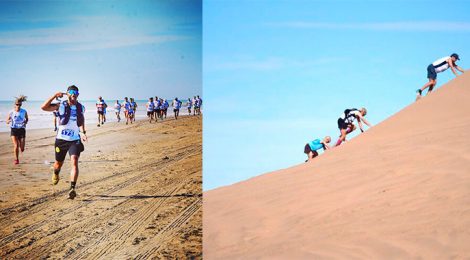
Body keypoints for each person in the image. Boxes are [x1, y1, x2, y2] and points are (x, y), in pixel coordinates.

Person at [41, 85, 87, 199]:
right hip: (61, 140)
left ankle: (72, 188)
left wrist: (83, 132)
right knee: (58, 164)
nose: (73, 94)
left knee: (74, 161)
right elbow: (44, 107)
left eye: (75, 92)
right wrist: (54, 96)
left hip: (74, 140)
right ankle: (56, 173)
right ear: (67, 93)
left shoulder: (81, 107)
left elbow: (82, 120)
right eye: (71, 92)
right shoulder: (61, 105)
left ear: (78, 94)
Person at [6, 95, 28, 165]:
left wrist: (25, 122)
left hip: (21, 129)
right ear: (14, 105)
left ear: (21, 105)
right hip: (14, 129)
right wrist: (8, 121)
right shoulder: (11, 112)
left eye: (19, 104)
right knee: (16, 145)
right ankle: (16, 159)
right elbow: (7, 120)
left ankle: (22, 147)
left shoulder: (24, 111)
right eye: (17, 104)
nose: (18, 106)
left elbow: (27, 119)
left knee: (22, 148)